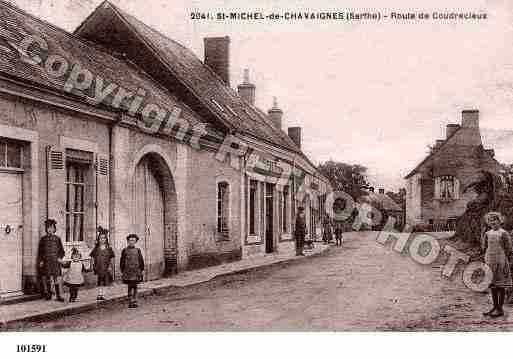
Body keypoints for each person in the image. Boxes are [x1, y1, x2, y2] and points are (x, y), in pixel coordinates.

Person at [482, 212, 513, 318]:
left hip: (501, 261)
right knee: (492, 285)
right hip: (490, 261)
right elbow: (484, 247)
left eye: (495, 220)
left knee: (500, 285)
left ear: (500, 221)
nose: (493, 222)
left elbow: (509, 249)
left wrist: (505, 260)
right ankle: (494, 307)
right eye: (490, 220)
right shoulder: (487, 233)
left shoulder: (503, 233)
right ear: (488, 222)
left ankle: (500, 309)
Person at [38, 219, 65, 302]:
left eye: (51, 227)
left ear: (54, 229)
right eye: (48, 228)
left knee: (56, 279)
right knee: (48, 278)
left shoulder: (57, 239)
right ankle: (49, 294)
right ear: (46, 229)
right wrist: (41, 260)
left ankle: (58, 295)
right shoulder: (43, 239)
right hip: (47, 261)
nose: (50, 229)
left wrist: (60, 258)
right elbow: (40, 251)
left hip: (55, 261)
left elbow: (61, 251)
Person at [89, 227, 115, 301]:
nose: (102, 240)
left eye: (104, 238)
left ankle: (103, 294)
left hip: (106, 267)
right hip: (99, 267)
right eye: (100, 238)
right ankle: (99, 294)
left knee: (105, 281)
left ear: (106, 239)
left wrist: (111, 266)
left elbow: (112, 257)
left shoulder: (109, 248)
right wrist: (92, 265)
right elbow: (92, 257)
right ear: (98, 239)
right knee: (100, 280)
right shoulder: (96, 249)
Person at [120, 234, 145, 308]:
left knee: (135, 286)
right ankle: (130, 301)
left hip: (136, 271)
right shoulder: (125, 250)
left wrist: (141, 269)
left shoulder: (138, 250)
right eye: (130, 240)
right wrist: (123, 270)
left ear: (136, 242)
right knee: (130, 286)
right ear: (128, 241)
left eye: (133, 240)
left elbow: (141, 261)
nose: (132, 242)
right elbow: (122, 261)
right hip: (128, 272)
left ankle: (135, 301)